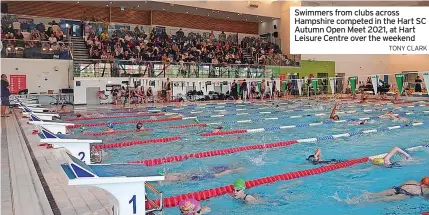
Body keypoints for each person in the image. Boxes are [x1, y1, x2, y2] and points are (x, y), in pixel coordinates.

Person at [353, 177, 429, 202]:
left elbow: (400, 185)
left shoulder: (412, 181)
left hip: (395, 189)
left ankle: (354, 199)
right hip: (403, 195)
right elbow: (425, 199)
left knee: (373, 195)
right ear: (426, 186)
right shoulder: (423, 191)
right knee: (378, 200)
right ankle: (358, 204)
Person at [160, 166, 244, 182]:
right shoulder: (183, 176)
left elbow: (180, 175)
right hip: (197, 176)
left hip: (201, 177)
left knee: (217, 175)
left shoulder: (182, 178)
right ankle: (234, 169)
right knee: (183, 175)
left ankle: (235, 169)